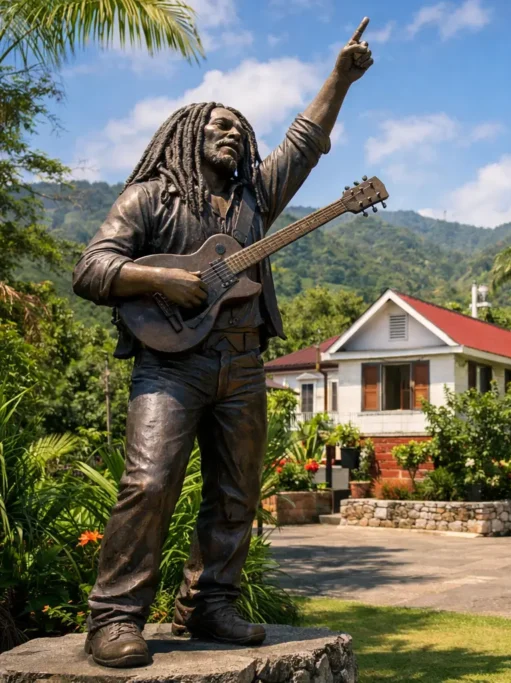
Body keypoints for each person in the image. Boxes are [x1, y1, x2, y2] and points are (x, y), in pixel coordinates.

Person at [71, 18, 374, 670]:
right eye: (219, 125)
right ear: (185, 135)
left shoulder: (255, 201)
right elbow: (91, 270)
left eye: (240, 127)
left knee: (237, 493)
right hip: (169, 362)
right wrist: (162, 278)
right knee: (149, 483)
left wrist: (339, 79)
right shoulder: (149, 197)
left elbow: (305, 142)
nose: (233, 133)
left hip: (242, 359)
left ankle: (211, 602)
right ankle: (115, 617)